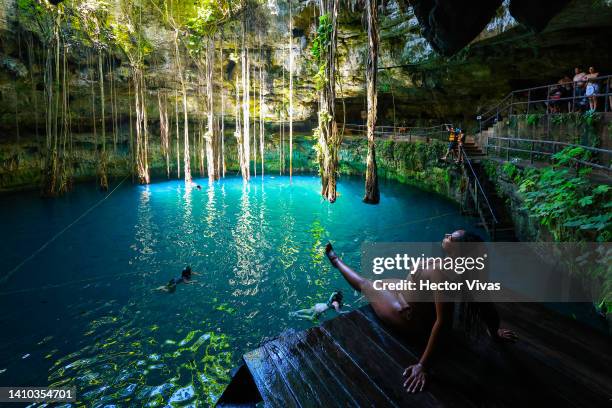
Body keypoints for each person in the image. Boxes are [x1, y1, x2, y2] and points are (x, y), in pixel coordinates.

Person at [324, 231, 517, 393]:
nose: (447, 235)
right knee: (383, 282)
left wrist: (422, 366)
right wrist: (494, 331)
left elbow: (444, 322)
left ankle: (336, 260)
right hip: (406, 295)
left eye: (452, 237)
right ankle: (396, 295)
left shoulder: (443, 273)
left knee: (365, 284)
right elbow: (484, 302)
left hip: (407, 315)